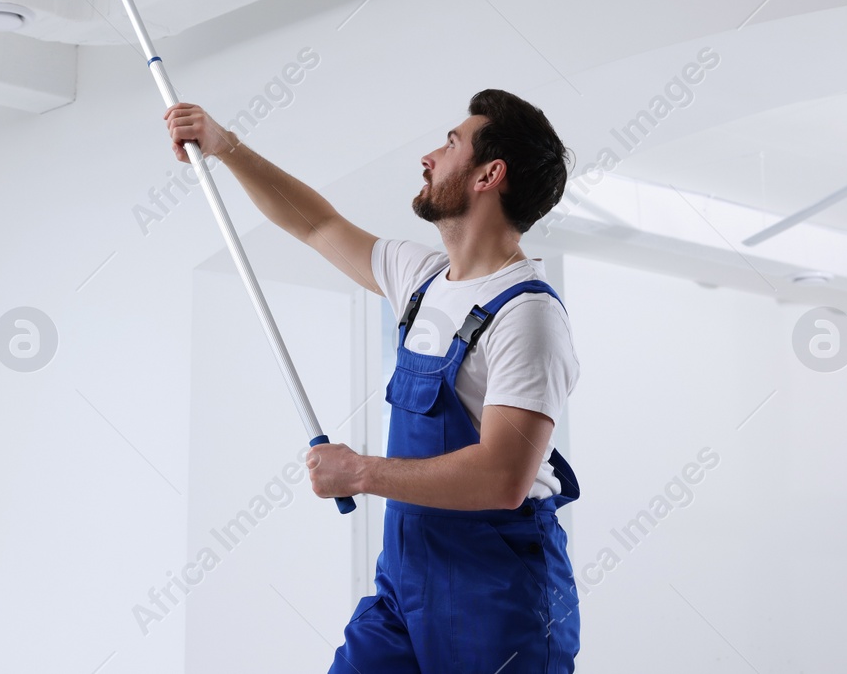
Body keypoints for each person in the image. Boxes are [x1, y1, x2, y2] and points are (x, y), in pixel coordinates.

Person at [164, 88, 582, 674]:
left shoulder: (527, 315)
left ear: (490, 174)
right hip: (406, 585)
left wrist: (359, 471)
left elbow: (502, 478)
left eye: (452, 143)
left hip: (498, 597)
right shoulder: (422, 279)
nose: (429, 156)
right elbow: (316, 224)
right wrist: (226, 147)